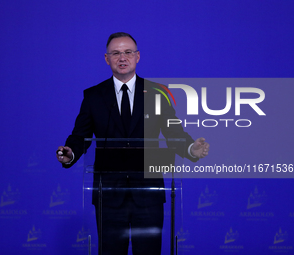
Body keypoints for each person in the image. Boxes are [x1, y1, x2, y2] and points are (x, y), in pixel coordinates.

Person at [57, 32, 209, 255]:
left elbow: (174, 132)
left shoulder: (157, 93)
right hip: (108, 194)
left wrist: (190, 148)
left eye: (128, 52)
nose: (122, 57)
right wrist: (70, 153)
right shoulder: (94, 96)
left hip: (148, 193)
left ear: (138, 57)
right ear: (106, 58)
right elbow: (79, 137)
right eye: (116, 53)